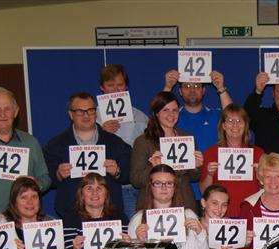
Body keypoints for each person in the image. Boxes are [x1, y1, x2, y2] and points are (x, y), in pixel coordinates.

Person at [44, 91, 132, 223]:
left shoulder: (115, 142)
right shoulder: (56, 145)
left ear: (96, 112)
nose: (86, 115)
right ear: (70, 114)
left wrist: (118, 171)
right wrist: (58, 175)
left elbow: (131, 173)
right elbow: (45, 178)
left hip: (109, 216)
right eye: (80, 111)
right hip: (71, 217)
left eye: (90, 110)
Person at [130, 92, 204, 211]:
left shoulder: (187, 137)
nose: (171, 114)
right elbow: (135, 180)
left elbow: (194, 177)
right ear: (156, 113)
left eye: (175, 110)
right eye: (165, 110)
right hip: (152, 205)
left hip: (184, 202)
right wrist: (152, 167)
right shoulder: (143, 141)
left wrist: (196, 166)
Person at [98, 64, 148, 217]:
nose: (116, 90)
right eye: (110, 85)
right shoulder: (93, 119)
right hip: (107, 185)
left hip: (136, 185)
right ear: (102, 88)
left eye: (120, 85)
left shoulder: (140, 117)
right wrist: (101, 133)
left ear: (126, 88)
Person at [199, 104, 264, 218]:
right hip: (220, 215)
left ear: (245, 126)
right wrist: (209, 175)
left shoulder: (258, 153)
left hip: (250, 214)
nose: (235, 125)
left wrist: (261, 176)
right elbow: (204, 191)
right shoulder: (211, 153)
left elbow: (267, 190)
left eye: (239, 120)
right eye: (230, 120)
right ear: (223, 125)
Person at [163, 68, 233, 152]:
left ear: (203, 91)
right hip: (180, 165)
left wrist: (221, 88)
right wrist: (168, 87)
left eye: (196, 86)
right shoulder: (172, 117)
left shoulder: (215, 115)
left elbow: (234, 116)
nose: (192, 90)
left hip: (212, 164)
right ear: (180, 91)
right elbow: (159, 117)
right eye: (187, 86)